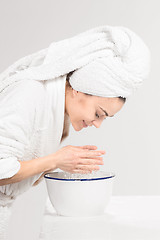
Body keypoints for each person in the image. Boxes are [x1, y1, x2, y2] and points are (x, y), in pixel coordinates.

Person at [0, 25, 150, 239]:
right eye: (99, 113)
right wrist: (55, 160)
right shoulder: (29, 94)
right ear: (80, 87)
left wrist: (64, 163)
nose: (98, 124)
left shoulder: (56, 112)